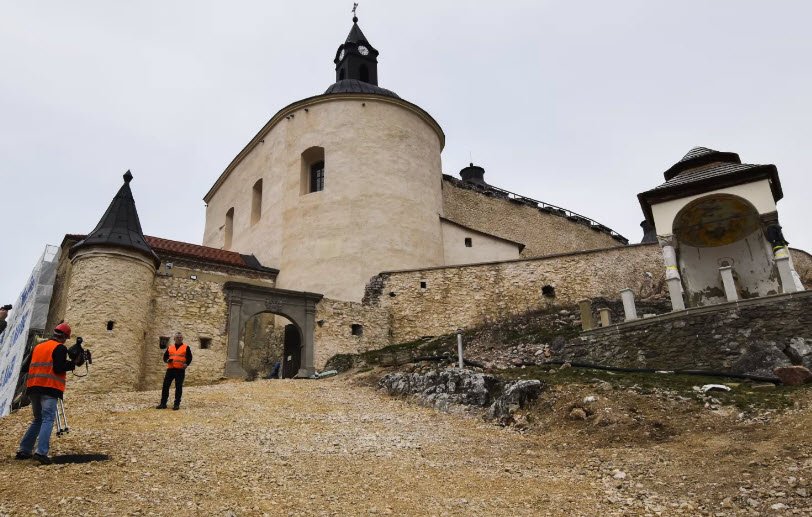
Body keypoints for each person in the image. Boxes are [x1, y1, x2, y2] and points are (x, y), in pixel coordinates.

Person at [16, 322, 76, 465]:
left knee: (38, 419)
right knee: (48, 419)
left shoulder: (38, 346)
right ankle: (41, 452)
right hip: (49, 388)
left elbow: (25, 367)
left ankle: (24, 450)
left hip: (33, 388)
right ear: (65, 337)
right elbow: (59, 368)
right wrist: (73, 363)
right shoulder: (60, 347)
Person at [156, 332, 192, 410]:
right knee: (165, 386)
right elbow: (165, 357)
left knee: (178, 387)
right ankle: (163, 404)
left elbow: (189, 357)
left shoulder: (186, 347)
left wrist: (186, 364)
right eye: (178, 337)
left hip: (180, 370)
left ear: (182, 339)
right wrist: (167, 360)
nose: (179, 338)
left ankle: (176, 404)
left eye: (181, 337)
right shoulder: (170, 347)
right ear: (174, 339)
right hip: (170, 369)